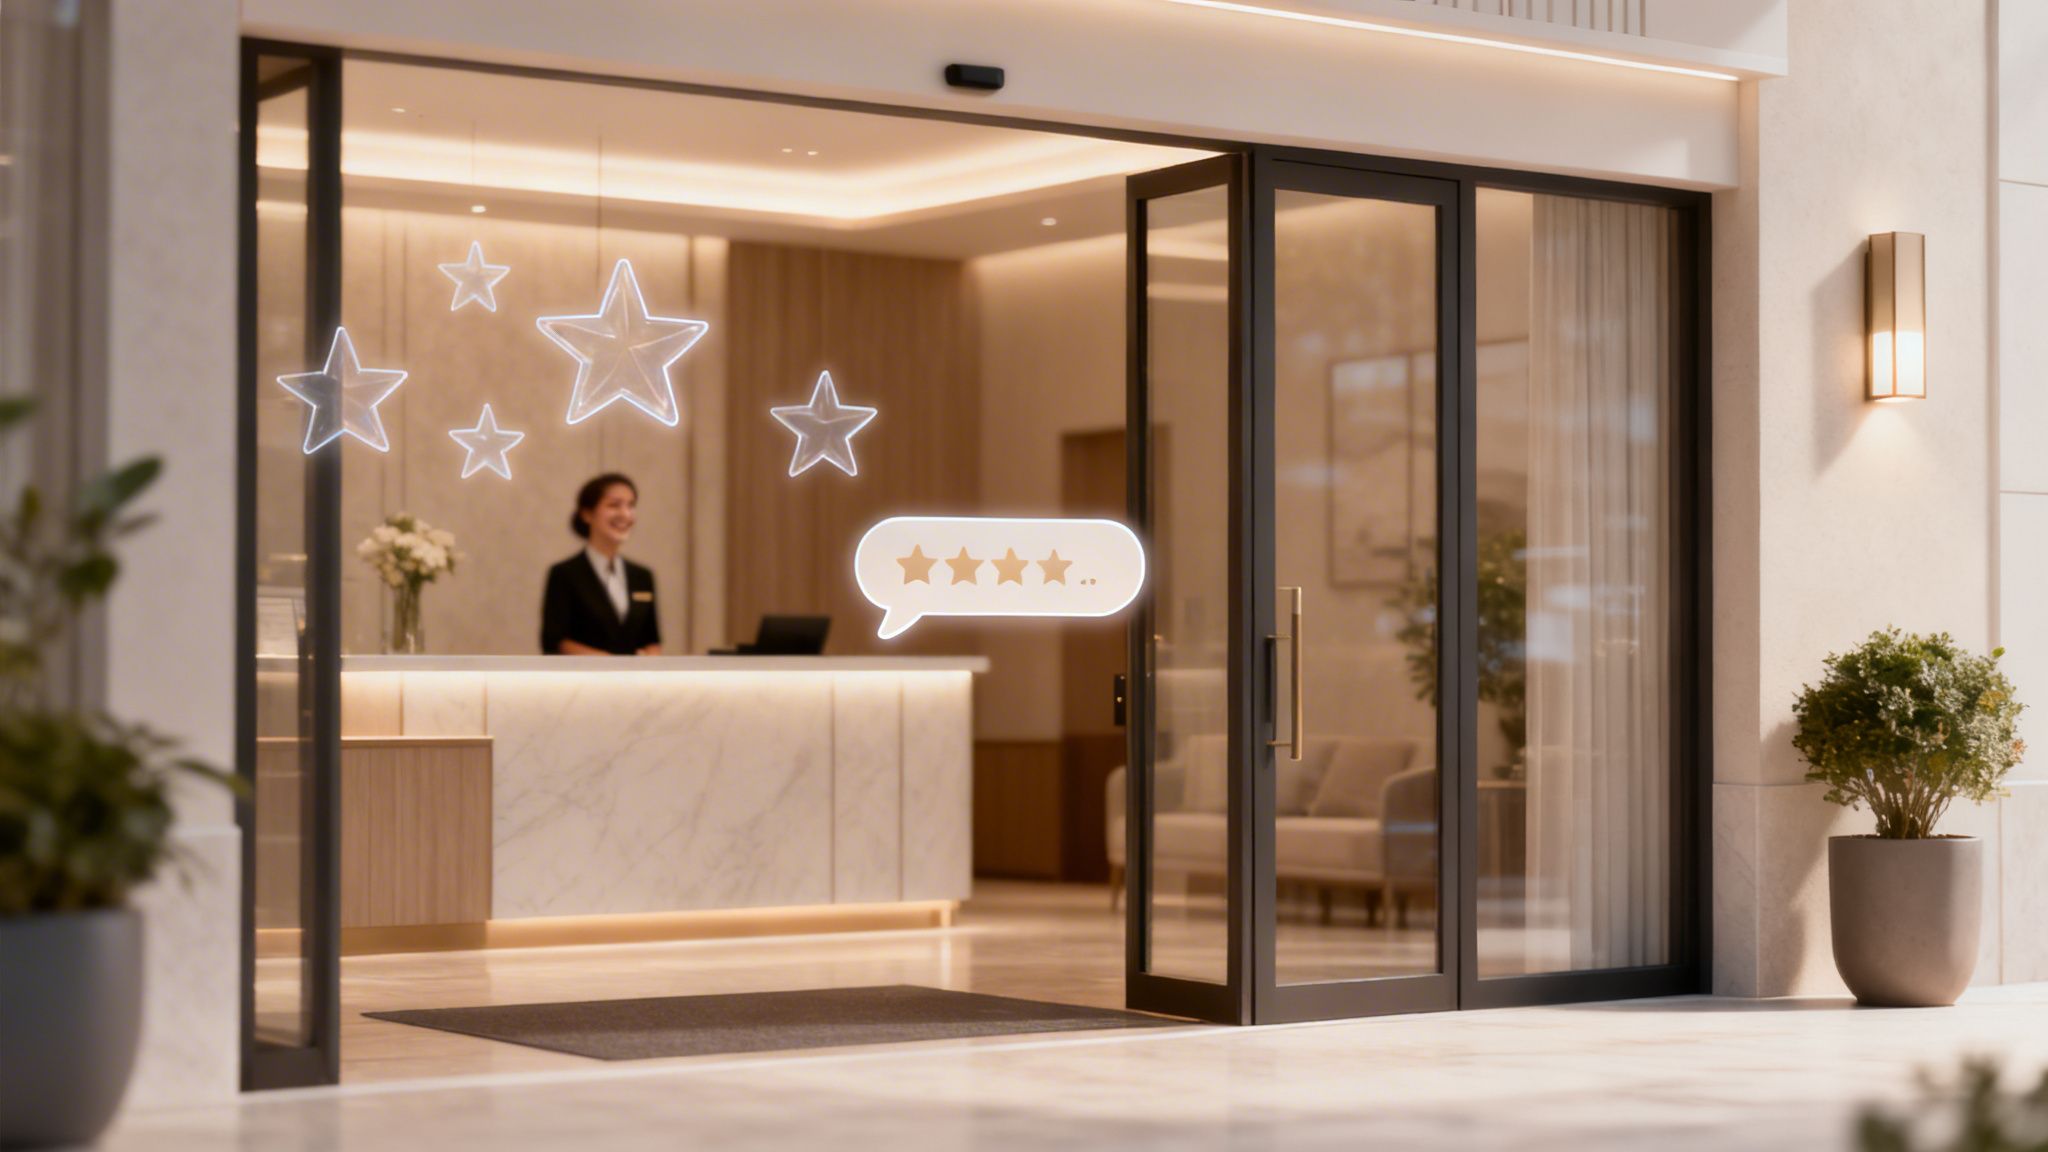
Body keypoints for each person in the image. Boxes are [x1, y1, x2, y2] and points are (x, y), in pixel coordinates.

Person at [540, 473, 662, 655]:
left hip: (635, 681)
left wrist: (650, 667)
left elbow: (652, 640)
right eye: (614, 505)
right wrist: (613, 667)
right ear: (587, 514)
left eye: (631, 505)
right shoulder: (565, 574)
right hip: (583, 681)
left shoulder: (642, 576)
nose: (625, 514)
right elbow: (555, 641)